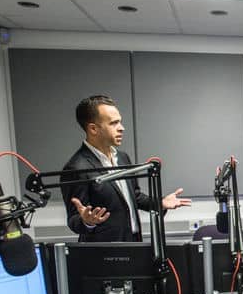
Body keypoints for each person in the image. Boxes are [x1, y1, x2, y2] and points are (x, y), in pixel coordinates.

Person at [62, 95, 191, 242]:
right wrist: (87, 221)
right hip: (103, 254)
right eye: (113, 123)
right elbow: (74, 219)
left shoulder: (122, 157)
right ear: (93, 129)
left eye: (120, 122)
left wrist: (160, 203)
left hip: (133, 243)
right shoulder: (76, 168)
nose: (121, 128)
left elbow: (134, 197)